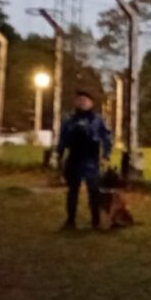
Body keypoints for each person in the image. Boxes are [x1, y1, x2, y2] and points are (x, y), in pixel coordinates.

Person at [56, 90, 113, 230]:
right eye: (79, 100)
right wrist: (59, 154)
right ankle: (70, 221)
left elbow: (107, 138)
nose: (82, 102)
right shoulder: (69, 119)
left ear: (91, 103)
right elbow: (62, 138)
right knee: (72, 191)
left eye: (85, 100)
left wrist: (106, 155)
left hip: (91, 161)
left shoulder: (97, 120)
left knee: (94, 191)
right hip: (74, 159)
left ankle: (96, 221)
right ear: (76, 102)